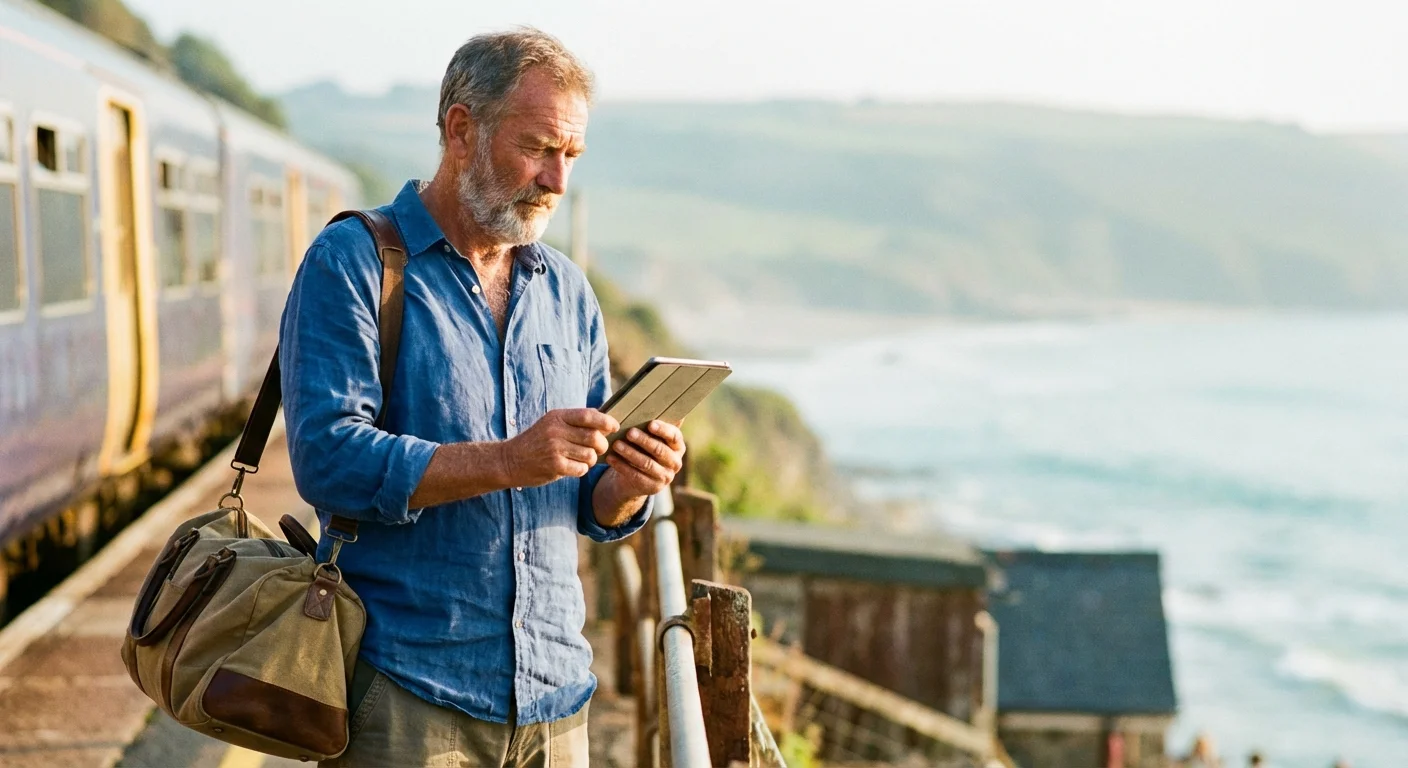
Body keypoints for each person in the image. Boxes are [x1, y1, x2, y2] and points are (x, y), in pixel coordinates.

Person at [280, 29, 683, 768]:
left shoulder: (568, 291)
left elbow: (590, 504)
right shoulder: (352, 261)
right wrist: (507, 460)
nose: (557, 181)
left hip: (557, 703)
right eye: (538, 148)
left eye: (572, 156)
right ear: (462, 131)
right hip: (406, 699)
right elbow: (327, 458)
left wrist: (627, 484)